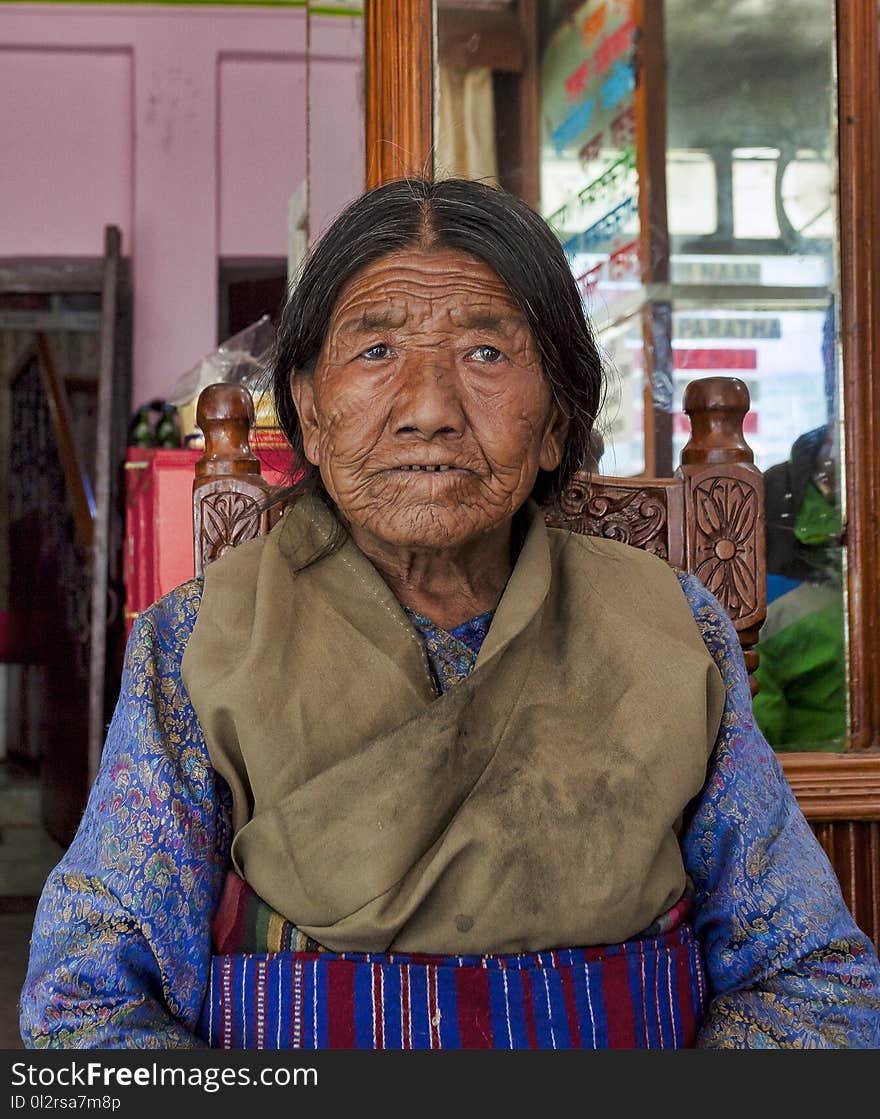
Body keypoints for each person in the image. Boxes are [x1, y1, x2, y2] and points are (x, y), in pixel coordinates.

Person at [20, 179, 880, 1049]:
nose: (429, 410)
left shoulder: (671, 625)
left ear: (555, 424)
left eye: (485, 354)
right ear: (311, 418)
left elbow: (814, 979)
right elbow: (82, 1009)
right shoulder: (195, 641)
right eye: (379, 348)